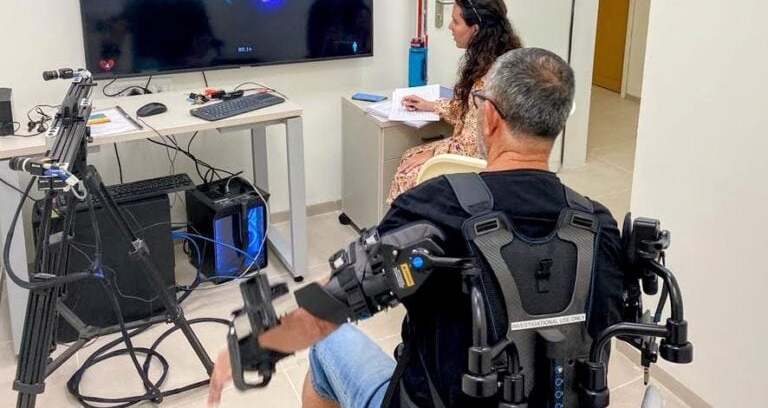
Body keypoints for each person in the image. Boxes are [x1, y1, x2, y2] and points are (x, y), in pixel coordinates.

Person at [207, 48, 625, 408]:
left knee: (326, 347)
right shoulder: (599, 224)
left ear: (491, 116)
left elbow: (326, 312)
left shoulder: (437, 205)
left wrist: (248, 349)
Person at [389, 0, 522, 202]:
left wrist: (433, 155)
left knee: (409, 170)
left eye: (456, 21)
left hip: (481, 160)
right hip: (494, 156)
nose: (450, 27)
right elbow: (470, 112)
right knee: (412, 156)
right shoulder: (501, 59)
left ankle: (406, 232)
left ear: (475, 29)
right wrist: (431, 105)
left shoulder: (488, 79)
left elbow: (472, 144)